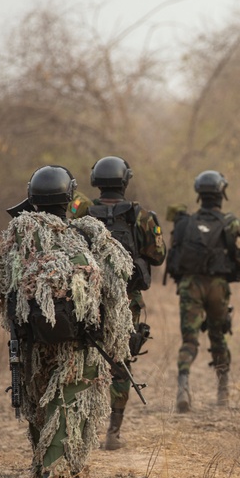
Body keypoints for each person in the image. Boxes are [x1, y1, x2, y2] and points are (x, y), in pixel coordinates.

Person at [0, 165, 133, 478]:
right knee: (66, 411)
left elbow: (0, 287)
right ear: (69, 198)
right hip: (78, 346)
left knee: (40, 410)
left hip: (33, 342)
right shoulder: (87, 236)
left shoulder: (19, 237)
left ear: (32, 198)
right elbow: (113, 291)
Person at [69, 156, 166, 450]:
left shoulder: (82, 212)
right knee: (120, 360)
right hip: (127, 301)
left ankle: (80, 426)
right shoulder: (142, 216)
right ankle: (113, 430)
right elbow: (158, 256)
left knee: (83, 357)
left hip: (87, 298)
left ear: (96, 182)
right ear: (126, 181)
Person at [165, 170, 240, 412]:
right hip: (217, 287)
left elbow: (173, 258)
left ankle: (183, 384)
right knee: (218, 336)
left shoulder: (184, 222)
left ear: (198, 195)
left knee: (189, 341)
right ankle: (222, 391)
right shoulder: (231, 223)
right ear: (222, 193)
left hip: (190, 286)